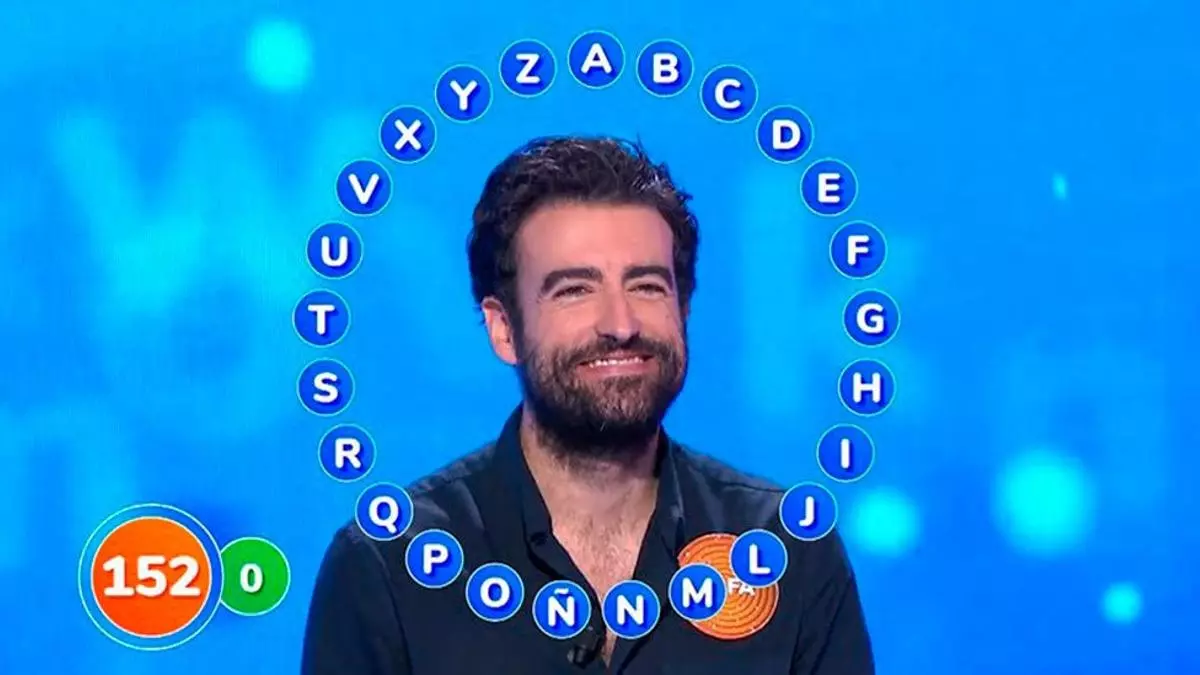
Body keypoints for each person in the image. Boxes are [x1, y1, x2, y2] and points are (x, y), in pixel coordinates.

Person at [301, 136, 874, 674]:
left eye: (647, 286)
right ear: (504, 329)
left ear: (684, 310)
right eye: (574, 289)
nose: (620, 324)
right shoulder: (389, 568)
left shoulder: (787, 551)